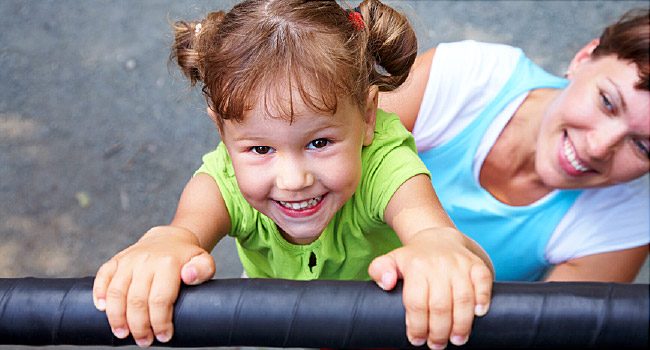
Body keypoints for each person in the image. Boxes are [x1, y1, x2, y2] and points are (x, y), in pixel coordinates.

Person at [92, 1, 494, 349]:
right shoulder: (224, 180)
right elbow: (183, 232)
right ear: (223, 134)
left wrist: (438, 249)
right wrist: (164, 245)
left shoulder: (384, 162)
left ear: (368, 117)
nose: (292, 179)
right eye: (261, 149)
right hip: (301, 325)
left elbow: (430, 230)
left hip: (400, 324)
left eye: (319, 143)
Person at [379, 8, 649, 282]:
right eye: (607, 102)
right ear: (583, 59)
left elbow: (551, 324)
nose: (598, 147)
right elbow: (339, 151)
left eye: (643, 147)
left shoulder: (625, 222)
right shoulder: (469, 77)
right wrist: (430, 236)